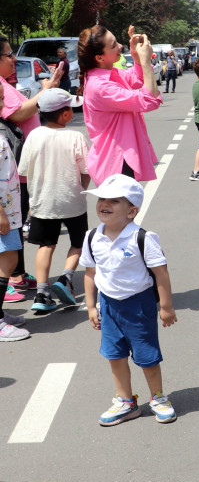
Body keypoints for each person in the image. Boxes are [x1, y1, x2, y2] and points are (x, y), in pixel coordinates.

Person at [81, 174, 177, 426]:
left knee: (147, 356)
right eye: (102, 198)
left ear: (132, 211)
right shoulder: (92, 237)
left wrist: (165, 307)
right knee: (115, 356)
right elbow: (90, 273)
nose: (104, 203)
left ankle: (158, 397)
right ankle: (126, 402)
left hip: (139, 306)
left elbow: (161, 272)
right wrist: (91, 306)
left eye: (114, 200)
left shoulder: (142, 238)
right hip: (109, 305)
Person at [0, 34, 63, 293]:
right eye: (8, 54)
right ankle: (11, 280)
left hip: (16, 170)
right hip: (11, 170)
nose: (14, 58)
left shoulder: (6, 83)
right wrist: (45, 92)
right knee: (11, 224)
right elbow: (19, 112)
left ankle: (16, 274)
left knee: (16, 221)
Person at [19, 89, 89, 314]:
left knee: (46, 244)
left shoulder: (34, 136)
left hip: (42, 201)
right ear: (66, 114)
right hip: (72, 200)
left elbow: (23, 169)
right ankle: (66, 278)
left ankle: (42, 292)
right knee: (79, 242)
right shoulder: (76, 136)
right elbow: (86, 170)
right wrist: (82, 187)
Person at [77, 25, 161, 185]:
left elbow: (136, 78)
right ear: (100, 58)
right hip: (116, 161)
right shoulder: (100, 86)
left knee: (126, 208)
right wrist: (145, 60)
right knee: (122, 208)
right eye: (114, 45)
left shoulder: (108, 75)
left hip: (118, 158)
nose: (120, 47)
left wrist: (136, 56)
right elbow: (149, 100)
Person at [0, 81, 28, 341]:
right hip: (2, 213)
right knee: (8, 259)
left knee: (7, 258)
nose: (2, 104)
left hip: (8, 210)